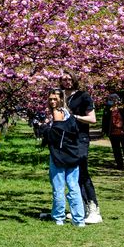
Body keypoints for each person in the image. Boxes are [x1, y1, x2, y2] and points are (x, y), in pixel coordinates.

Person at [42, 89, 85, 227]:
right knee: (74, 186)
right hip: (72, 155)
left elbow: (55, 135)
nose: (52, 101)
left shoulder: (57, 113)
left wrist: (45, 129)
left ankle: (59, 218)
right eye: (50, 99)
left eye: (55, 99)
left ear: (61, 99)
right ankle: (79, 220)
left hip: (59, 156)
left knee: (59, 187)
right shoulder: (69, 115)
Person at [63, 76, 101, 224]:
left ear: (74, 80)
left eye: (69, 79)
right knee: (72, 175)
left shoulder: (83, 96)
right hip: (66, 139)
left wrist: (75, 117)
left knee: (82, 172)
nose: (66, 82)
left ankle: (93, 208)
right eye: (63, 79)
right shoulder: (60, 96)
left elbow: (92, 119)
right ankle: (80, 208)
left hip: (80, 138)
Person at [101, 94, 124, 170]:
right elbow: (104, 121)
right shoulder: (107, 109)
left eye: (113, 99)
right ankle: (120, 164)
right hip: (112, 133)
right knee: (116, 149)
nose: (112, 101)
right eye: (110, 99)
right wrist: (104, 130)